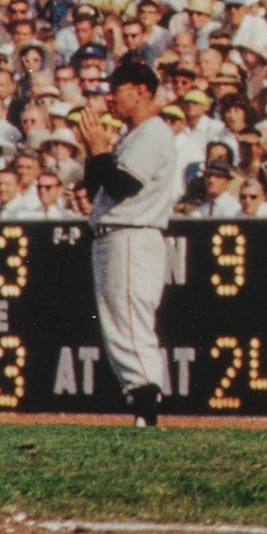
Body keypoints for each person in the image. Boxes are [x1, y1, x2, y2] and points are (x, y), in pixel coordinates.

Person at [75, 55, 187, 427]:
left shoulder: (154, 132)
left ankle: (146, 407)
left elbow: (125, 183)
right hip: (117, 235)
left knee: (130, 323)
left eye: (116, 90)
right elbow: (96, 186)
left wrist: (100, 152)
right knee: (122, 324)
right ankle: (141, 403)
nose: (109, 98)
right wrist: (96, 152)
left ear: (140, 92)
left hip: (132, 236)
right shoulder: (134, 135)